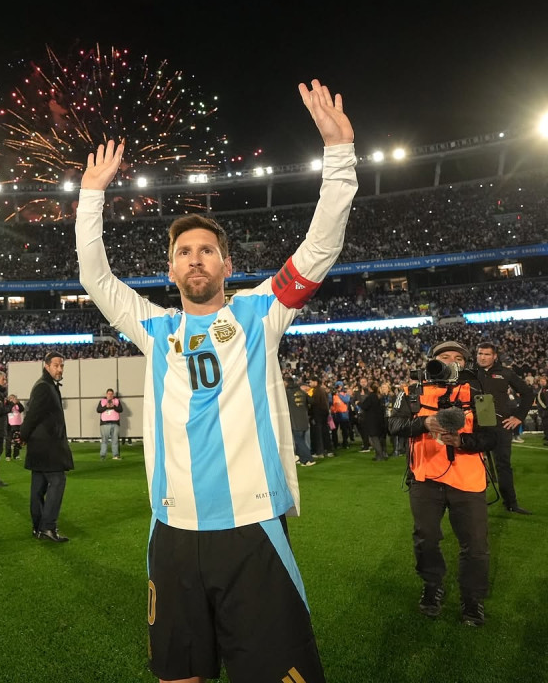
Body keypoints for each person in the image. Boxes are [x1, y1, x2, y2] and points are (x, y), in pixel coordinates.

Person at [76, 80, 356, 683]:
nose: (195, 258)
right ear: (170, 269)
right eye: (184, 251)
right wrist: (90, 196)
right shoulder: (153, 328)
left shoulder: (261, 313)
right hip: (173, 529)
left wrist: (339, 156)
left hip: (251, 527)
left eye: (207, 250)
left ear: (227, 265)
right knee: (179, 675)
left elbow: (320, 248)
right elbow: (95, 278)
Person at [389, 340, 497, 627]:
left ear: (466, 364)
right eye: (444, 356)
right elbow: (394, 425)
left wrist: (462, 441)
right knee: (426, 539)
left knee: (475, 545)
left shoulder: (480, 394)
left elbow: (492, 438)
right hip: (425, 480)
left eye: (457, 357)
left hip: (468, 481)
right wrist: (424, 424)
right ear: (432, 361)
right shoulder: (411, 392)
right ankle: (432, 585)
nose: (451, 361)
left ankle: (472, 599)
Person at [474, 342, 534, 515]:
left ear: (495, 356)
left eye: (486, 354)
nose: (482, 357)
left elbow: (528, 393)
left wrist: (518, 417)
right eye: (480, 353)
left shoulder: (505, 373)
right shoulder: (469, 373)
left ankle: (511, 503)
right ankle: (473, 503)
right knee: (473, 464)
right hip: (475, 426)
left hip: (500, 426)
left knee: (503, 465)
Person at [20, 351, 73, 543]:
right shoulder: (44, 386)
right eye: (56, 365)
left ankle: (38, 527)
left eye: (62, 365)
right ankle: (48, 527)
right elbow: (32, 415)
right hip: (47, 447)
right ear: (47, 366)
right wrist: (23, 435)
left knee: (38, 488)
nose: (60, 369)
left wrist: (24, 436)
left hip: (41, 446)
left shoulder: (46, 385)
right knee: (57, 481)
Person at [286, 376, 316, 466]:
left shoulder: (287, 393)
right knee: (300, 440)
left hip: (295, 420)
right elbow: (312, 401)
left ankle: (309, 459)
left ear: (287, 383)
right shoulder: (302, 392)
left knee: (299, 441)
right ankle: (303, 459)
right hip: (304, 419)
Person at [359, 382, 387, 461]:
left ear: (370, 388)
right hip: (379, 419)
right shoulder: (379, 396)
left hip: (372, 420)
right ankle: (381, 454)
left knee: (374, 438)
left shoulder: (371, 397)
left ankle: (379, 455)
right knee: (379, 438)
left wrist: (358, 403)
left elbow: (364, 406)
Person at [97, 388, 123, 460]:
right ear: (106, 394)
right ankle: (103, 455)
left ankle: (115, 455)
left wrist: (113, 406)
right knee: (104, 440)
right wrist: (106, 407)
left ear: (113, 394)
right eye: (109, 394)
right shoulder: (102, 401)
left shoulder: (117, 401)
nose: (110, 395)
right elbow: (98, 410)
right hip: (105, 423)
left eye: (111, 394)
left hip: (115, 423)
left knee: (115, 440)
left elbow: (121, 410)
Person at [5, 394, 25, 461]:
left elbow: (22, 409)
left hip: (18, 424)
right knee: (9, 441)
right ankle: (8, 455)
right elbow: (7, 409)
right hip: (10, 425)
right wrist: (12, 403)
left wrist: (18, 402)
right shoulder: (7, 405)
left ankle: (16, 455)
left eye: (14, 398)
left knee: (17, 440)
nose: (13, 400)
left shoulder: (17, 405)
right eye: (12, 398)